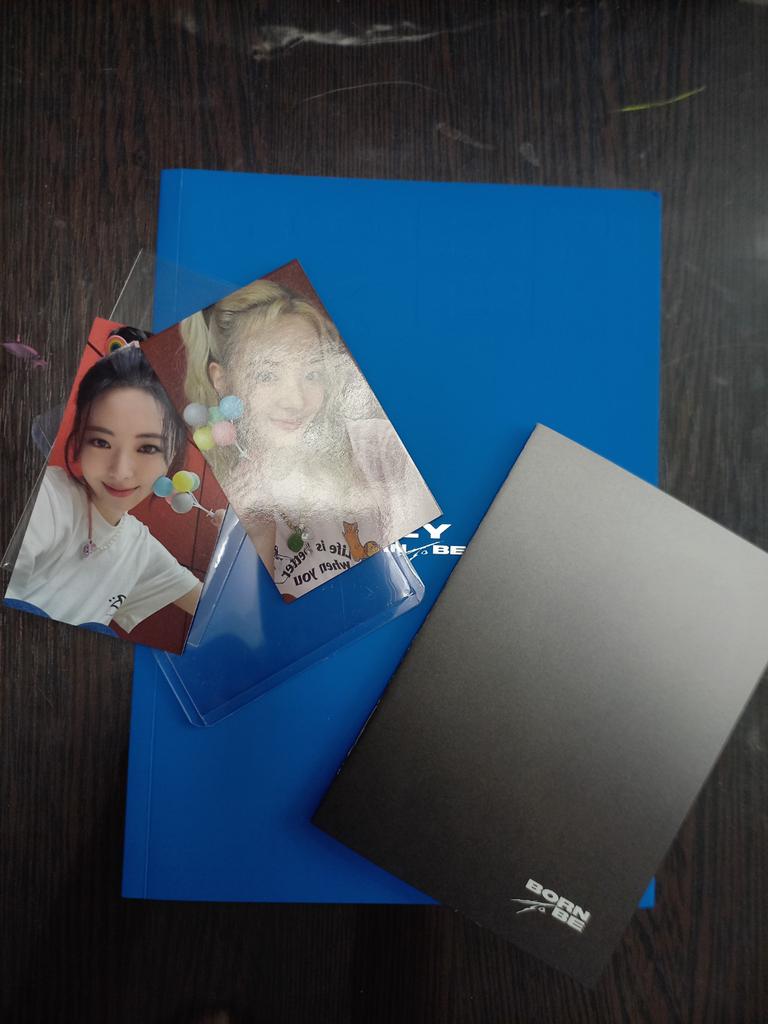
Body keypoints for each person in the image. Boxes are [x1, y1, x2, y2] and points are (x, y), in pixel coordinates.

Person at [180, 279, 439, 600]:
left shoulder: (381, 447)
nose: (296, 401)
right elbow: (251, 615)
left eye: (312, 374)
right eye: (267, 375)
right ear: (222, 379)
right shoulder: (227, 501)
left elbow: (432, 555)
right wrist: (257, 539)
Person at [5, 345, 206, 631]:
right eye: (101, 442)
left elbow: (213, 607)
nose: (120, 472)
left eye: (147, 448)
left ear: (172, 455)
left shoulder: (141, 550)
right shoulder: (46, 497)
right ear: (79, 441)